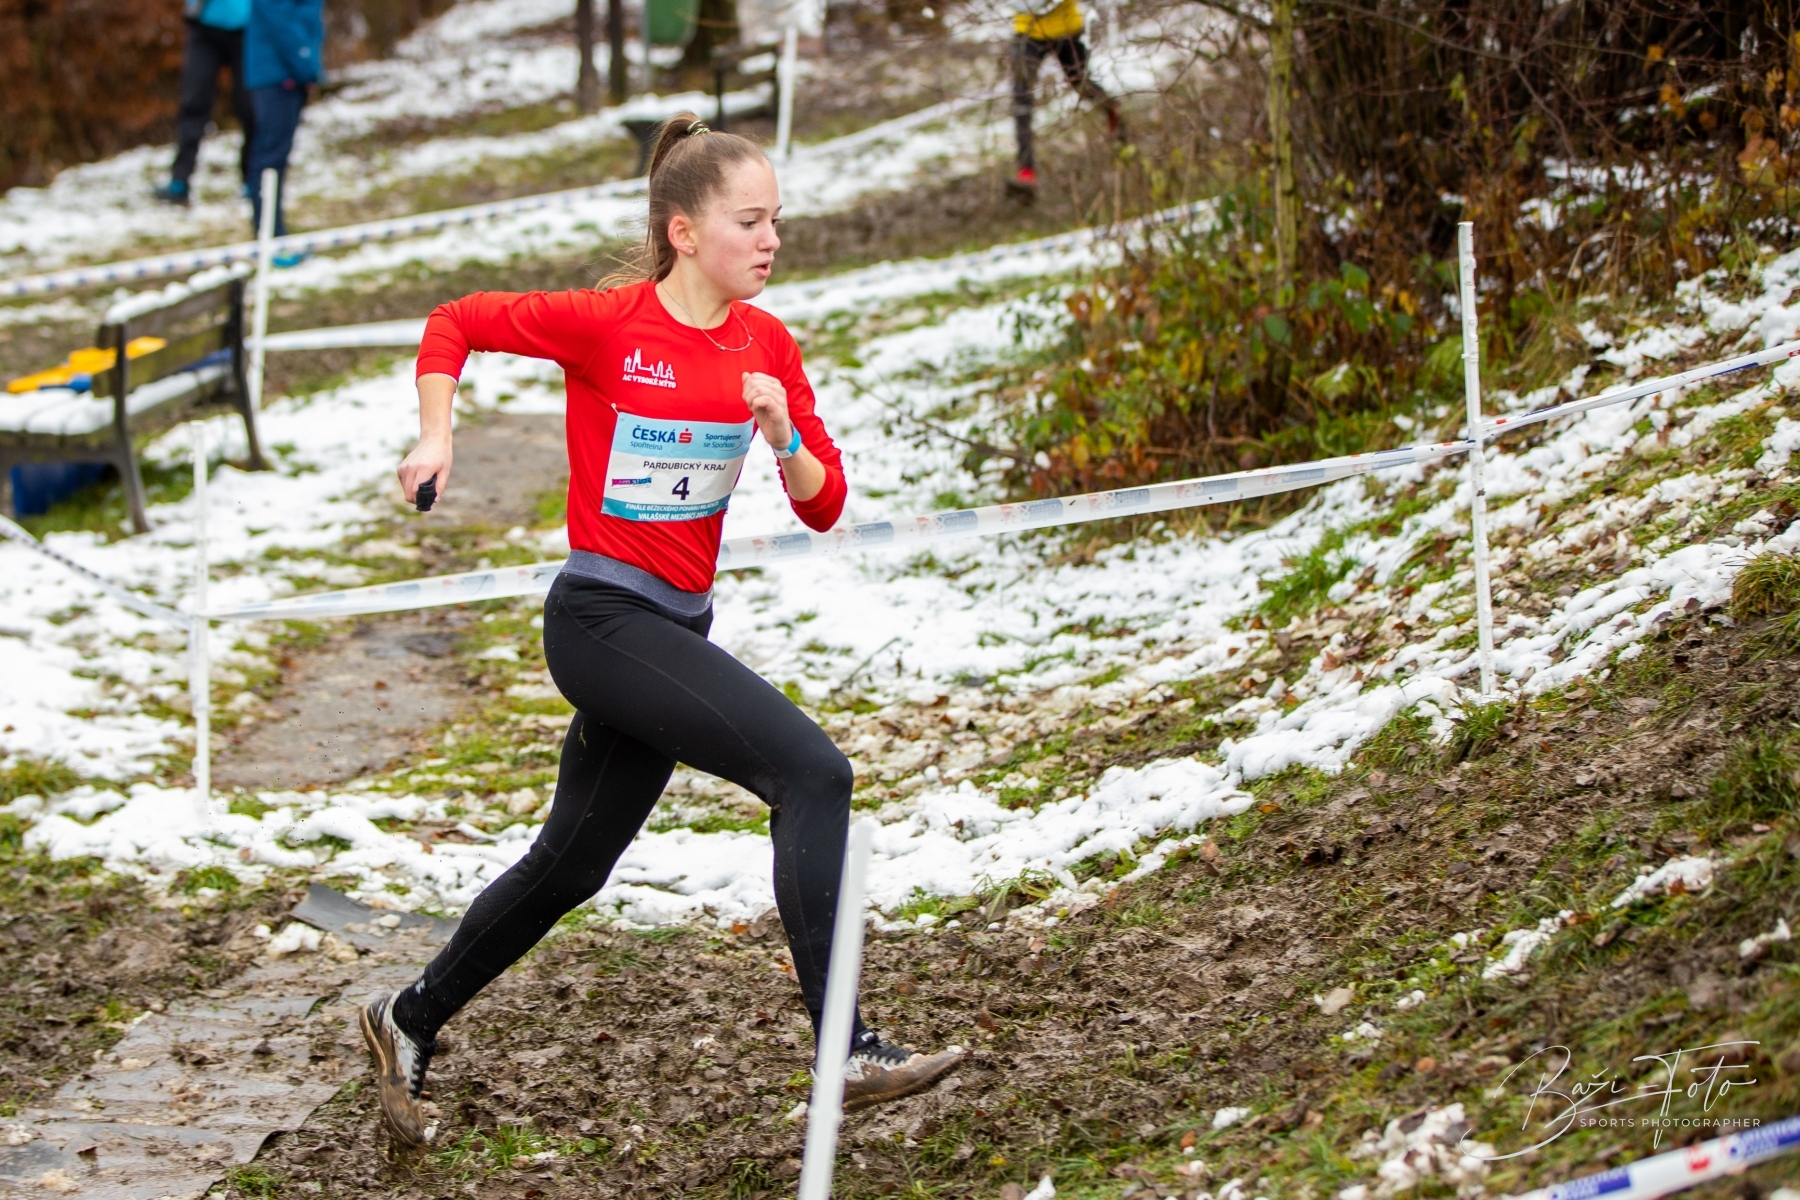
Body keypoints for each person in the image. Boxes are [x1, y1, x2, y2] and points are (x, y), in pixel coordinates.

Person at [359, 113, 965, 1148]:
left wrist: (782, 436)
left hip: (674, 625)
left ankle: (406, 1018)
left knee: (571, 864)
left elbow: (823, 503)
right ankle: (848, 1051)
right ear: (685, 232)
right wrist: (435, 435)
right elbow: (454, 321)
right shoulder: (609, 326)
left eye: (777, 220)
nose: (771, 240)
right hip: (600, 620)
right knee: (814, 774)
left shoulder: (767, 344)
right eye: (750, 221)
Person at [1007, 0, 1123, 197]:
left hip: (1066, 27)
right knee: (1021, 98)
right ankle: (1026, 173)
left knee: (1080, 83)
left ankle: (1113, 113)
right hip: (1027, 30)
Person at [154, 0, 257, 208]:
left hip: (247, 30)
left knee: (249, 109)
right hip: (204, 26)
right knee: (193, 104)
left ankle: (251, 181)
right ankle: (179, 182)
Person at [242, 0, 323, 243]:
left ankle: (274, 232)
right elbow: (280, 20)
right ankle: (270, 236)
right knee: (270, 158)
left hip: (289, 71)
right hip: (278, 72)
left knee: (276, 155)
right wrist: (305, 63)